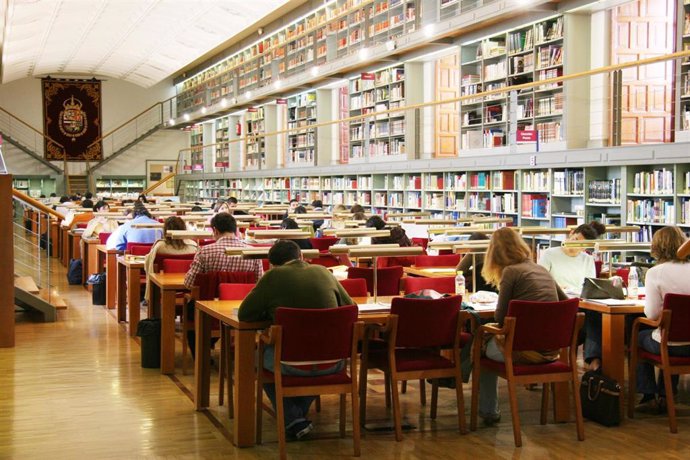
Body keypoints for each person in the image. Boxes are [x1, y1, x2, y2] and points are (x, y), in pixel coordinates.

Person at [238, 240, 354, 440]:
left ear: (272, 264)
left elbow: (245, 314)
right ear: (301, 257)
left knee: (258, 359)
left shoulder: (273, 276)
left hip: (290, 364)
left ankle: (292, 417)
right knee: (308, 363)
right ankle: (296, 417)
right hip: (334, 363)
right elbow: (350, 307)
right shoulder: (324, 272)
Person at [477, 227, 567, 425]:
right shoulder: (541, 269)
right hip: (551, 350)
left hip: (521, 352)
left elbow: (500, 319)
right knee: (483, 342)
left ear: (494, 253)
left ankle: (488, 411)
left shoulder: (511, 272)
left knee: (478, 347)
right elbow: (566, 303)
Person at [635, 227, 690, 412]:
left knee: (639, 335)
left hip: (670, 344)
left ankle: (648, 394)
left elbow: (651, 315)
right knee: (672, 331)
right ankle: (667, 394)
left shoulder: (656, 272)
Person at [539, 222, 602, 370]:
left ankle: (593, 360)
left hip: (580, 305)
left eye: (582, 245)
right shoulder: (550, 254)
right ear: (571, 234)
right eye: (576, 240)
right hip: (557, 306)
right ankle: (593, 361)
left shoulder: (587, 259)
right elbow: (541, 280)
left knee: (596, 316)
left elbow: (589, 286)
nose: (576, 246)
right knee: (592, 318)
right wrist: (559, 287)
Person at [183, 212, 263, 288]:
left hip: (210, 301)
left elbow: (189, 283)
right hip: (243, 301)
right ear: (235, 230)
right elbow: (260, 285)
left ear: (215, 231)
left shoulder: (204, 252)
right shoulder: (252, 253)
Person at [144, 216, 197, 303]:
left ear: (165, 230)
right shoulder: (193, 246)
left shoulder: (159, 247)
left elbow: (149, 265)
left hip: (163, 287)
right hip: (187, 286)